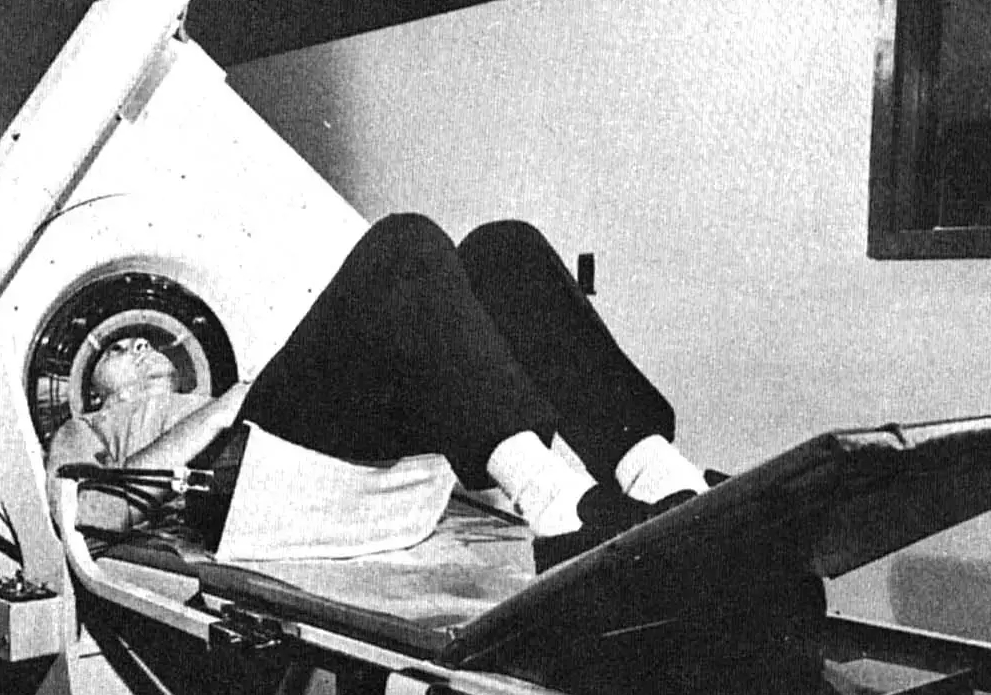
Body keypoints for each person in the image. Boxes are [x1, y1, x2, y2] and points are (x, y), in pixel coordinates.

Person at [46, 213, 711, 569]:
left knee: (501, 250)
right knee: (404, 243)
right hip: (252, 485)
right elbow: (91, 514)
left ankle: (661, 479)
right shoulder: (93, 428)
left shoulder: (225, 383)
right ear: (96, 396)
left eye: (141, 342)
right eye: (116, 351)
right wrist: (224, 410)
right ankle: (562, 511)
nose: (137, 346)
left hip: (368, 484)